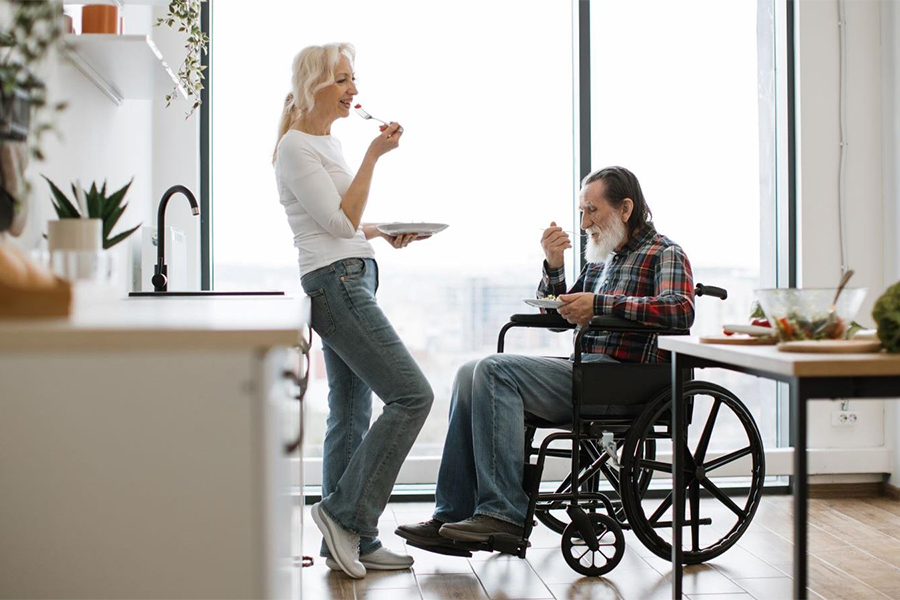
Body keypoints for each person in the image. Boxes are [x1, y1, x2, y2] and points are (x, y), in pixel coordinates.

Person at [396, 166, 695, 553]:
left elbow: (679, 310)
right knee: (469, 372)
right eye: (582, 212)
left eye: (592, 211)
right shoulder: (601, 261)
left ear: (625, 208)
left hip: (627, 378)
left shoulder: (664, 252)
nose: (584, 222)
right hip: (588, 372)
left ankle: (504, 514)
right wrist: (554, 264)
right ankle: (451, 514)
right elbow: (558, 318)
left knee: (491, 370)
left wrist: (600, 304)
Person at [273, 43, 434, 578]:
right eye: (343, 80)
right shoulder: (297, 148)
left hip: (351, 276)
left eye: (353, 80)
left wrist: (384, 234)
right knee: (413, 396)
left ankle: (354, 543)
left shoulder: (327, 144)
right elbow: (340, 225)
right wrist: (373, 157)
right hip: (336, 285)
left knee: (349, 413)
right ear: (314, 83)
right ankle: (342, 516)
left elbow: (347, 223)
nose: (354, 91)